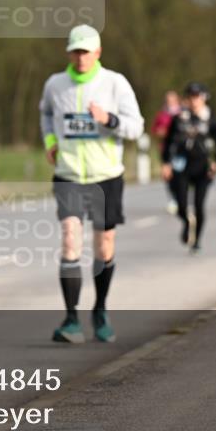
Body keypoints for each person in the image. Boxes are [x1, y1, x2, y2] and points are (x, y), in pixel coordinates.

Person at [39, 25, 143, 344]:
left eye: (86, 51)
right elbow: (45, 114)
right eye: (75, 51)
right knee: (70, 241)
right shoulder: (55, 84)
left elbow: (136, 127)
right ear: (69, 52)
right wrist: (51, 140)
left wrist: (108, 119)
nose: (80, 57)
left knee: (104, 246)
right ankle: (71, 319)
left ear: (97, 53)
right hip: (69, 175)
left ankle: (100, 310)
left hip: (105, 176)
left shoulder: (115, 83)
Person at [161, 82, 216, 253]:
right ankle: (187, 222)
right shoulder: (179, 119)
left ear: (204, 98)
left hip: (203, 166)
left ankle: (197, 240)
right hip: (182, 165)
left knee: (199, 204)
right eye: (190, 96)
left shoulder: (211, 119)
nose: (194, 100)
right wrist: (166, 163)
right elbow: (168, 142)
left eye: (197, 96)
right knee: (180, 204)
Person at [151, 91, 181, 212]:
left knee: (181, 175)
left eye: (172, 99)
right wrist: (160, 132)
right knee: (167, 175)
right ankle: (173, 199)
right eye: (168, 100)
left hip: (181, 149)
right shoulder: (162, 114)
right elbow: (155, 129)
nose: (170, 102)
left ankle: (183, 197)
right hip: (165, 149)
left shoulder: (183, 113)